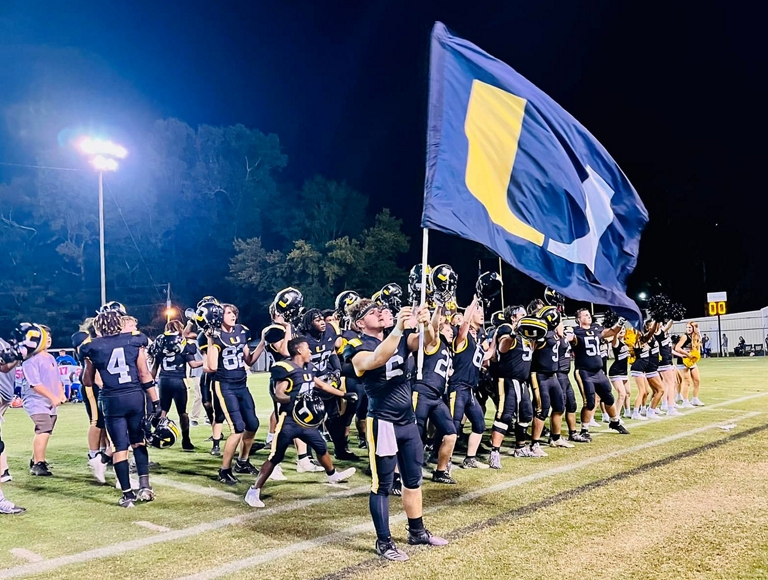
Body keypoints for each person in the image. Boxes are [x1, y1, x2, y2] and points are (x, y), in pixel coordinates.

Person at [345, 299, 447, 562]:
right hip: (383, 422)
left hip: (407, 420)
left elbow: (427, 341)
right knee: (382, 485)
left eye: (381, 310)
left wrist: (428, 321)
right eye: (373, 312)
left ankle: (417, 531)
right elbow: (377, 358)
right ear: (360, 323)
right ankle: (383, 541)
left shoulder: (400, 338)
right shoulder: (355, 345)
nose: (381, 314)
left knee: (413, 480)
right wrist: (399, 328)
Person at [244, 337, 356, 507]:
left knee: (321, 446)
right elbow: (279, 393)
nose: (310, 351)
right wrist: (293, 398)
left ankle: (333, 475)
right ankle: (253, 490)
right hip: (288, 421)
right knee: (276, 456)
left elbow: (321, 385)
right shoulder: (286, 368)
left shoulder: (308, 368)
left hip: (305, 422)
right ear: (299, 350)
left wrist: (344, 395)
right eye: (307, 348)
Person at [80, 310, 161, 507]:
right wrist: (156, 402)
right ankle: (145, 486)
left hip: (112, 400)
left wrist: (89, 361)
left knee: (119, 447)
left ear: (98, 327)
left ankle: (127, 495)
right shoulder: (134, 339)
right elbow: (144, 374)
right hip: (134, 397)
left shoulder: (91, 346)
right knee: (139, 442)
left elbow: (87, 380)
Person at [202, 303, 261, 484]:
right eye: (228, 313)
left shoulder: (242, 331)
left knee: (253, 424)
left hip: (242, 384)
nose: (233, 315)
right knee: (237, 428)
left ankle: (242, 462)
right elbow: (211, 367)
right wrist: (211, 341)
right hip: (225, 385)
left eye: (234, 312)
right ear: (219, 316)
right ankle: (224, 470)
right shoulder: (215, 335)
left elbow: (249, 360)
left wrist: (263, 343)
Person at [412, 307, 458, 483]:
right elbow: (435, 328)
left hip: (436, 397)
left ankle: (440, 471)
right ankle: (400, 473)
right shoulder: (434, 342)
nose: (451, 332)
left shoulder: (448, 350)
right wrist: (438, 307)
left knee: (451, 434)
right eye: (448, 329)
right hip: (422, 391)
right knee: (413, 435)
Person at [569, 309, 629, 437]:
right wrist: (568, 335)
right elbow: (569, 338)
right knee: (589, 402)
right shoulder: (575, 331)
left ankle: (615, 422)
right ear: (579, 319)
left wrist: (620, 322)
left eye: (589, 314)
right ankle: (584, 429)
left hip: (598, 371)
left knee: (609, 398)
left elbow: (611, 332)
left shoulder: (596, 328)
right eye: (585, 315)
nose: (588, 316)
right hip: (584, 371)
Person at [448, 296, 489, 470]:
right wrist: (473, 303)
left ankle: (469, 459)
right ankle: (445, 461)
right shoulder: (462, 337)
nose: (481, 313)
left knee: (479, 425)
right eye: (478, 311)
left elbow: (487, 355)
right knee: (453, 426)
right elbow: (464, 323)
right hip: (458, 386)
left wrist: (497, 339)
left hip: (470, 389)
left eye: (481, 310)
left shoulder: (477, 341)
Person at [21, 325, 66, 476]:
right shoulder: (30, 361)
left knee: (47, 429)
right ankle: (38, 464)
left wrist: (60, 394)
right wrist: (52, 397)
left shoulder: (51, 358)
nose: (48, 338)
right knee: (43, 427)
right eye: (44, 336)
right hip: (35, 400)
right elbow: (35, 384)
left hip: (49, 402)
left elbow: (57, 379)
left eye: (49, 335)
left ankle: (36, 459)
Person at [152, 321, 204, 451]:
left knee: (163, 411)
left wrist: (148, 383)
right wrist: (207, 361)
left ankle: (159, 437)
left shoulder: (160, 342)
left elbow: (154, 368)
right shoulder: (183, 343)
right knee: (183, 413)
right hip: (178, 381)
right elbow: (193, 364)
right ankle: (186, 441)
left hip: (164, 380)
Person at [675, 322, 704, 406]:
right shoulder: (684, 337)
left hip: (691, 361)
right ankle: (685, 401)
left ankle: (695, 399)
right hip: (683, 361)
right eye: (687, 327)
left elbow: (697, 348)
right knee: (687, 382)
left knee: (697, 380)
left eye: (690, 327)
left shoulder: (695, 337)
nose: (688, 329)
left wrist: (696, 355)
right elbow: (677, 348)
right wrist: (687, 354)